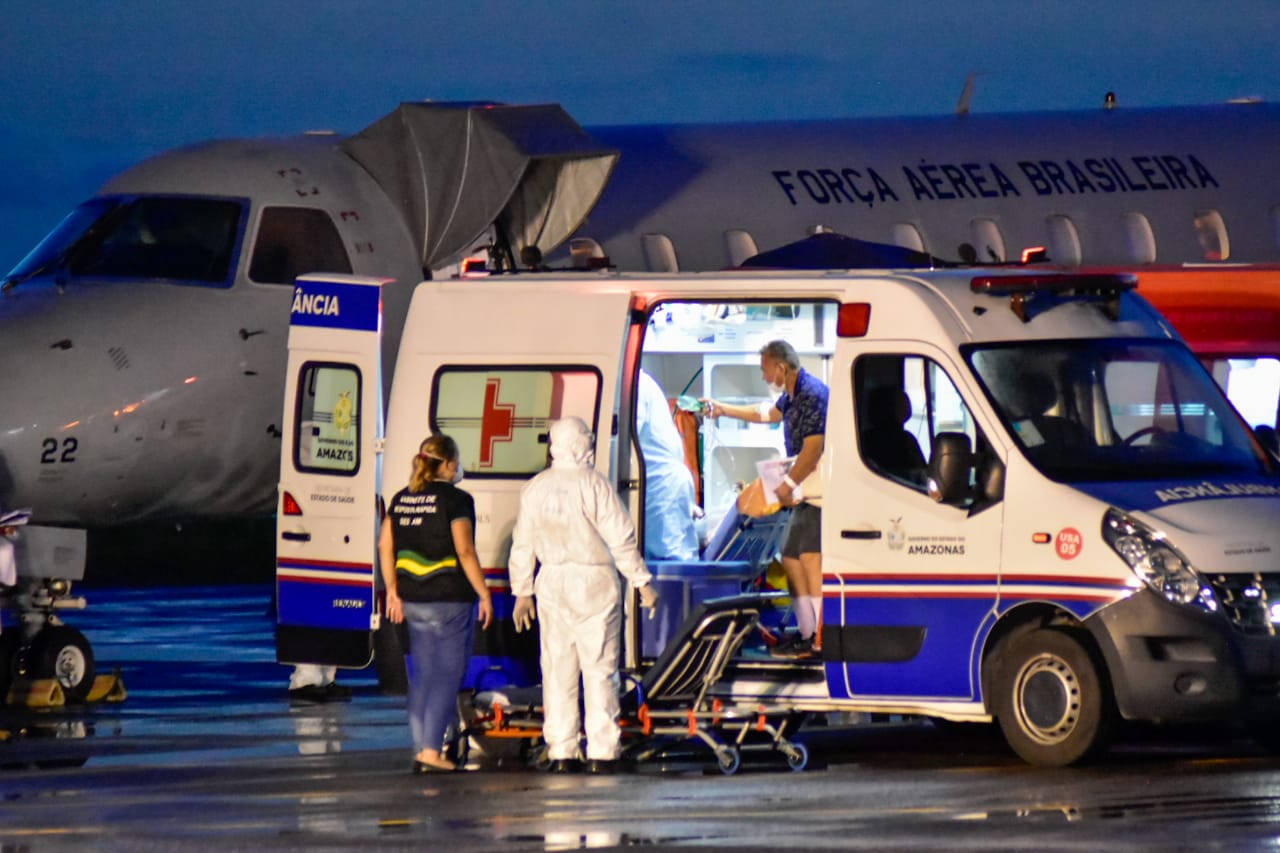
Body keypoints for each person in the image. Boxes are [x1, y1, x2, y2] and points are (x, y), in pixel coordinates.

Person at [508, 417, 659, 774]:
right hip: (594, 582)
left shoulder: (536, 488)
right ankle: (602, 752)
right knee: (599, 669)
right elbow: (620, 537)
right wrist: (641, 582)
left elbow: (523, 543)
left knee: (557, 669)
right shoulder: (595, 485)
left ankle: (561, 750)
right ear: (580, 445)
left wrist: (522, 592)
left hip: (551, 582)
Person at [702, 340, 828, 659]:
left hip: (817, 494)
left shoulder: (812, 394)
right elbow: (767, 413)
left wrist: (787, 484)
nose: (763, 376)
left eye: (765, 370)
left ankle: (820, 638)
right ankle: (807, 632)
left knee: (809, 558)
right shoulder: (793, 395)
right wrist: (723, 409)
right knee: (790, 556)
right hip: (804, 493)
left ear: (781, 367)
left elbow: (814, 447)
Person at [379, 434, 493, 774]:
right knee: (447, 676)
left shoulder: (401, 498)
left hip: (412, 599)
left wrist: (392, 589)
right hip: (449, 599)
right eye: (455, 461)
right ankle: (431, 751)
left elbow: (384, 546)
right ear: (448, 463)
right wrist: (484, 593)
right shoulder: (457, 500)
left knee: (423, 676)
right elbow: (465, 550)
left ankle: (421, 748)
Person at [636, 370, 700, 560]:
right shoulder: (640, 383)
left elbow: (628, 437)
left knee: (671, 560)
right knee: (670, 555)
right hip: (659, 485)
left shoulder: (635, 385)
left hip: (661, 488)